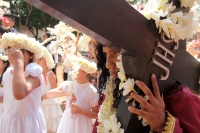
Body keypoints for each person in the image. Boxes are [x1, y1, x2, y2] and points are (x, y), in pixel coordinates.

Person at [93, 44, 200, 133]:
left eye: (115, 53)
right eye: (106, 54)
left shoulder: (182, 99)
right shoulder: (112, 91)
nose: (108, 64)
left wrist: (163, 125)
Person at [0, 33, 46, 133]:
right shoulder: (8, 73)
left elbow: (19, 93)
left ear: (31, 54)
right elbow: (9, 98)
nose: (13, 55)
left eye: (19, 52)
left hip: (26, 126)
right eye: (10, 50)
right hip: (8, 123)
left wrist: (18, 63)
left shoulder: (33, 72)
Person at [45, 55, 99, 133]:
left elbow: (95, 114)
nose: (73, 71)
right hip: (67, 122)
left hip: (82, 125)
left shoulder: (92, 91)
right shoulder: (68, 85)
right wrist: (67, 93)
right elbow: (48, 94)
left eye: (76, 69)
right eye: (73, 68)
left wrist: (80, 111)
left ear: (85, 72)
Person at [37, 47, 62, 132]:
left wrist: (43, 98)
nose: (38, 60)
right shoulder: (38, 73)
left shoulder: (50, 74)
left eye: (40, 58)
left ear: (46, 60)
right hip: (40, 102)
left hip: (49, 102)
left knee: (49, 126)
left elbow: (55, 90)